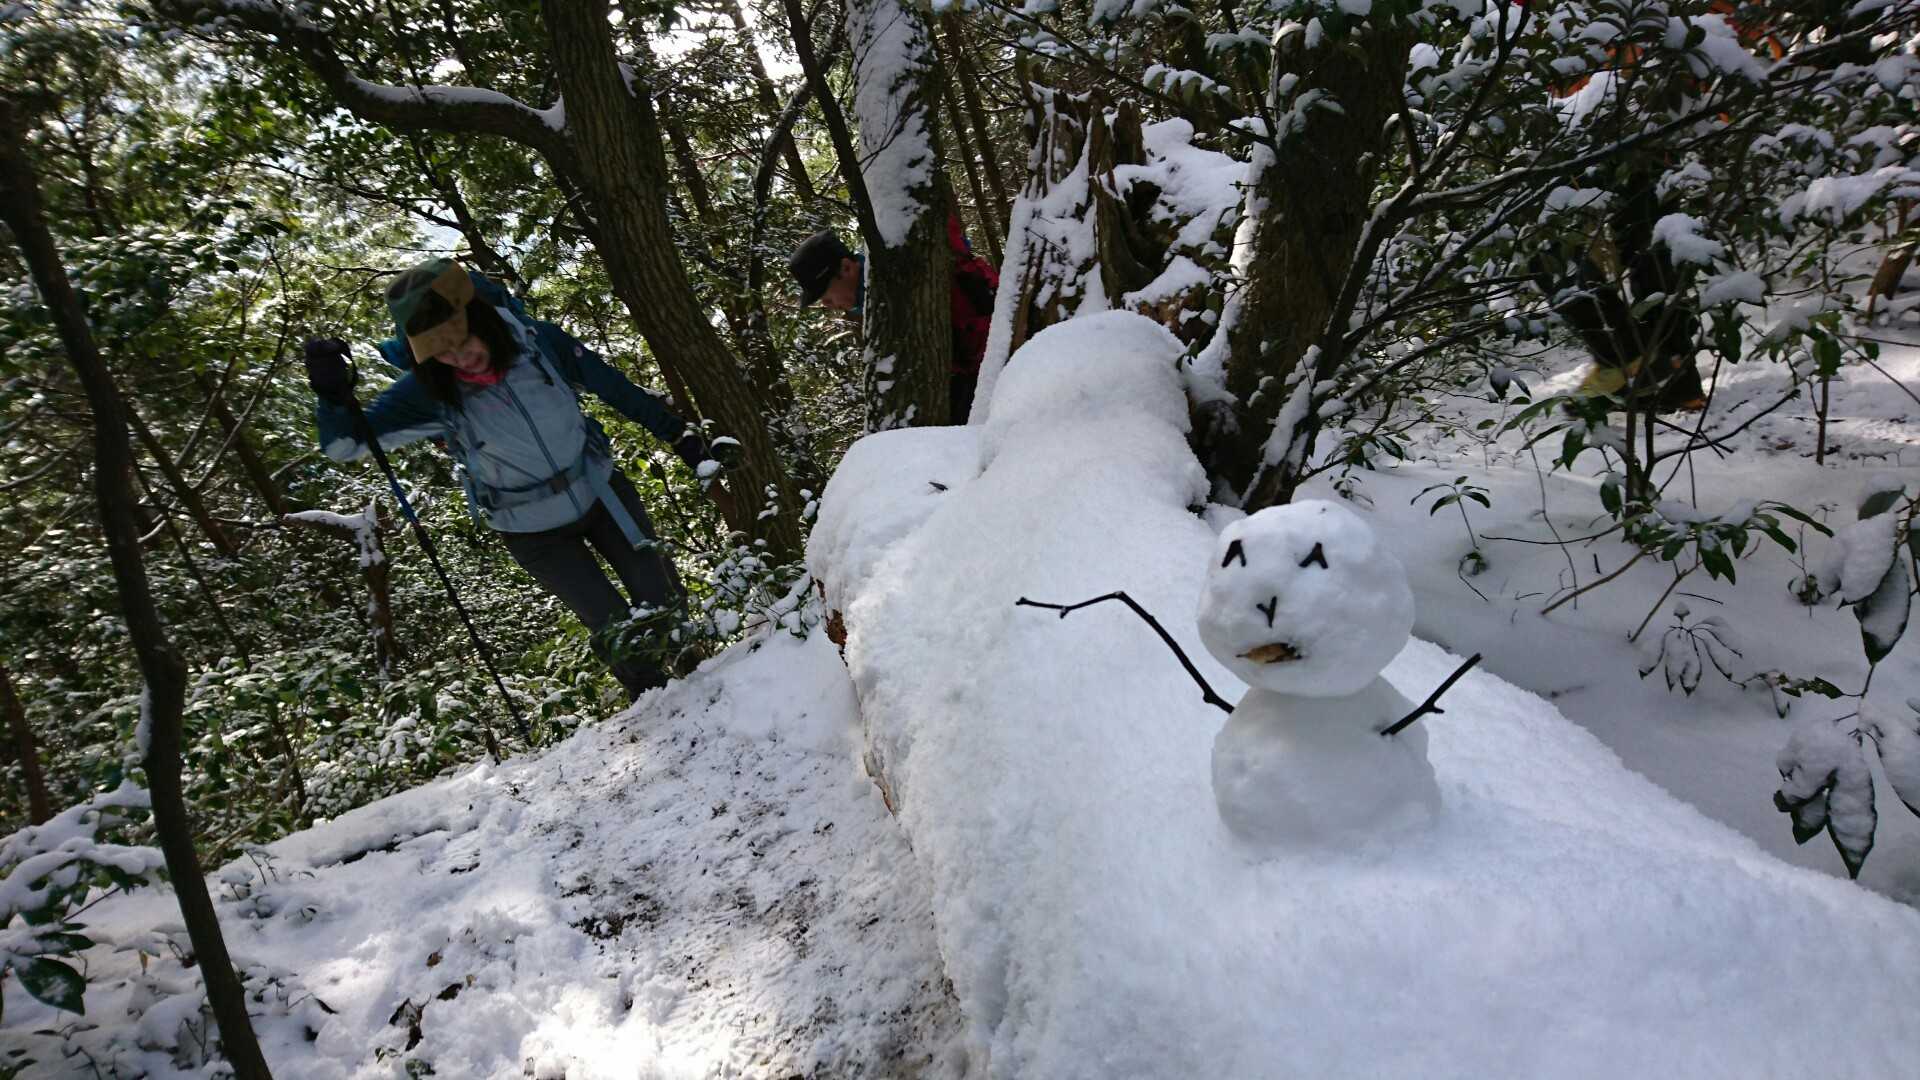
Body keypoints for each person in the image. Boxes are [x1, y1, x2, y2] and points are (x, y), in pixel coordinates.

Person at [303, 258, 718, 700]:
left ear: (481, 317)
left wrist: (678, 436)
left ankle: (705, 678)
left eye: (462, 339)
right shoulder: (427, 392)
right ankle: (657, 704)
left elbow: (614, 388)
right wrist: (331, 396)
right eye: (441, 351)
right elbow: (344, 446)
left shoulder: (540, 346)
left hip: (600, 491)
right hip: (531, 530)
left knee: (661, 596)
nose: (458, 357)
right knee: (613, 625)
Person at [788, 216, 999, 423]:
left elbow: (980, 336)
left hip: (995, 378)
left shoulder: (899, 287)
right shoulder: (879, 303)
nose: (826, 304)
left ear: (846, 268)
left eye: (825, 293)